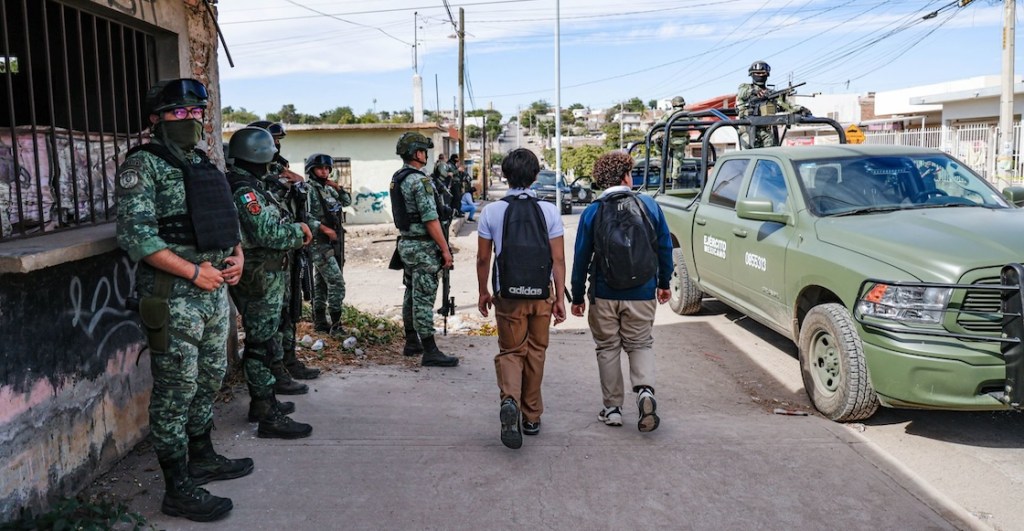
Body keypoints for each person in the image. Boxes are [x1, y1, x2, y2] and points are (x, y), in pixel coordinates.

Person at [116, 78, 250, 522]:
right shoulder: (143, 165)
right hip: (174, 296)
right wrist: (194, 271)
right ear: (156, 119)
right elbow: (138, 238)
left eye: (197, 113)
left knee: (210, 377)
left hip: (212, 292)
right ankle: (177, 488)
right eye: (179, 113)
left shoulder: (201, 161)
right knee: (176, 392)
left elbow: (222, 219)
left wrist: (237, 255)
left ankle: (203, 456)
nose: (190, 120)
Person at [570, 151, 673, 433]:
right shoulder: (649, 205)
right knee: (640, 343)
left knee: (607, 347)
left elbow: (581, 257)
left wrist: (577, 296)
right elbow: (664, 246)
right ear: (627, 176)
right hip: (642, 292)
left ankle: (613, 408)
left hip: (604, 292)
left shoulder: (593, 211)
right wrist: (664, 282)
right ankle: (645, 393)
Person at [225, 127, 315, 439]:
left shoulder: (251, 183)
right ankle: (265, 410)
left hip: (264, 273)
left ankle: (264, 403)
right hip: (259, 275)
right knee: (260, 343)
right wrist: (299, 231)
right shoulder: (244, 190)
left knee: (265, 339)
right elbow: (267, 233)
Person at [476, 148, 567, 450]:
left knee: (512, 351)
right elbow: (558, 259)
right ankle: (531, 417)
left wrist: (483, 292)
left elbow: (482, 258)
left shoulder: (492, 211)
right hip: (541, 294)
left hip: (508, 295)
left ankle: (509, 402)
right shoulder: (549, 210)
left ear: (505, 175)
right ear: (536, 176)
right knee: (536, 351)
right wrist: (559, 298)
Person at [247, 121, 319, 387]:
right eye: (272, 140)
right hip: (268, 254)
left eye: (278, 140)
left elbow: (299, 201)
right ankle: (275, 368)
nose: (276, 145)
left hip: (288, 249)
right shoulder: (254, 177)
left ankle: (288, 359)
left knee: (290, 309)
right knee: (271, 318)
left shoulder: (279, 169)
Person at [390, 132, 460, 367]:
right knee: (423, 298)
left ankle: (412, 341)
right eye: (424, 151)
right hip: (422, 246)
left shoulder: (398, 177)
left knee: (411, 293)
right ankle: (430, 350)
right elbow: (431, 219)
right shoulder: (420, 181)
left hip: (406, 244)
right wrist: (445, 249)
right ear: (417, 153)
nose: (426, 155)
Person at [305, 153, 352, 336]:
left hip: (334, 241)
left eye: (327, 169)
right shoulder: (309, 190)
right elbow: (305, 217)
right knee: (337, 282)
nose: (324, 172)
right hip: (319, 242)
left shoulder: (329, 189)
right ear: (312, 170)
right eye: (320, 168)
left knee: (322, 283)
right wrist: (324, 229)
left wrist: (337, 187)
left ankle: (320, 321)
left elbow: (347, 201)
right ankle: (336, 325)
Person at [735, 61, 809, 148]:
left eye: (763, 73)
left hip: (767, 133)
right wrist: (754, 92)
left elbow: (787, 105)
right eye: (758, 73)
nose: (761, 75)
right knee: (749, 157)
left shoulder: (771, 93)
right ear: (752, 74)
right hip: (748, 131)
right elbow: (741, 92)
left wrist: (800, 109)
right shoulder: (745, 88)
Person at [655, 96, 689, 186]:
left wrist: (648, 134)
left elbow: (659, 124)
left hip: (670, 141)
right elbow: (697, 123)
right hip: (682, 142)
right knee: (677, 161)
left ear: (673, 104)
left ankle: (659, 158)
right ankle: (675, 180)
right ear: (683, 104)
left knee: (656, 139)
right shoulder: (688, 114)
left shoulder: (669, 113)